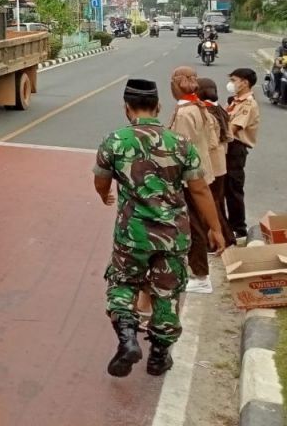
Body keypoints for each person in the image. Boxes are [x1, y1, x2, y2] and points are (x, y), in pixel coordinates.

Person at [94, 78, 225, 378]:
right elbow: (200, 190)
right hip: (172, 236)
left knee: (123, 285)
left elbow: (101, 181)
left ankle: (128, 338)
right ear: (159, 106)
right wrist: (214, 228)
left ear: (127, 107)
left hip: (132, 235)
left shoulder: (114, 140)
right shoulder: (180, 143)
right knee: (166, 293)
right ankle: (159, 355)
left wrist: (104, 194)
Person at [167, 67, 217, 294]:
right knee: (196, 222)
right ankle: (198, 271)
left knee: (194, 225)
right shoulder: (196, 106)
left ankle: (200, 275)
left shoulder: (186, 112)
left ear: (176, 85)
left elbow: (181, 149)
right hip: (201, 170)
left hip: (190, 177)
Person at [198, 77, 235, 246]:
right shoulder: (219, 109)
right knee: (217, 202)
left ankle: (223, 240)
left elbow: (209, 142)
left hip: (210, 165)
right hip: (220, 163)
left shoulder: (206, 113)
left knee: (210, 205)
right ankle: (224, 239)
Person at [225, 68, 260, 241]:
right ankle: (227, 227)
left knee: (233, 188)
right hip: (229, 146)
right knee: (225, 187)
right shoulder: (235, 101)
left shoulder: (248, 104)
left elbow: (233, 128)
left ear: (245, 82)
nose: (231, 84)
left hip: (236, 147)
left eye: (234, 80)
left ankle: (239, 229)